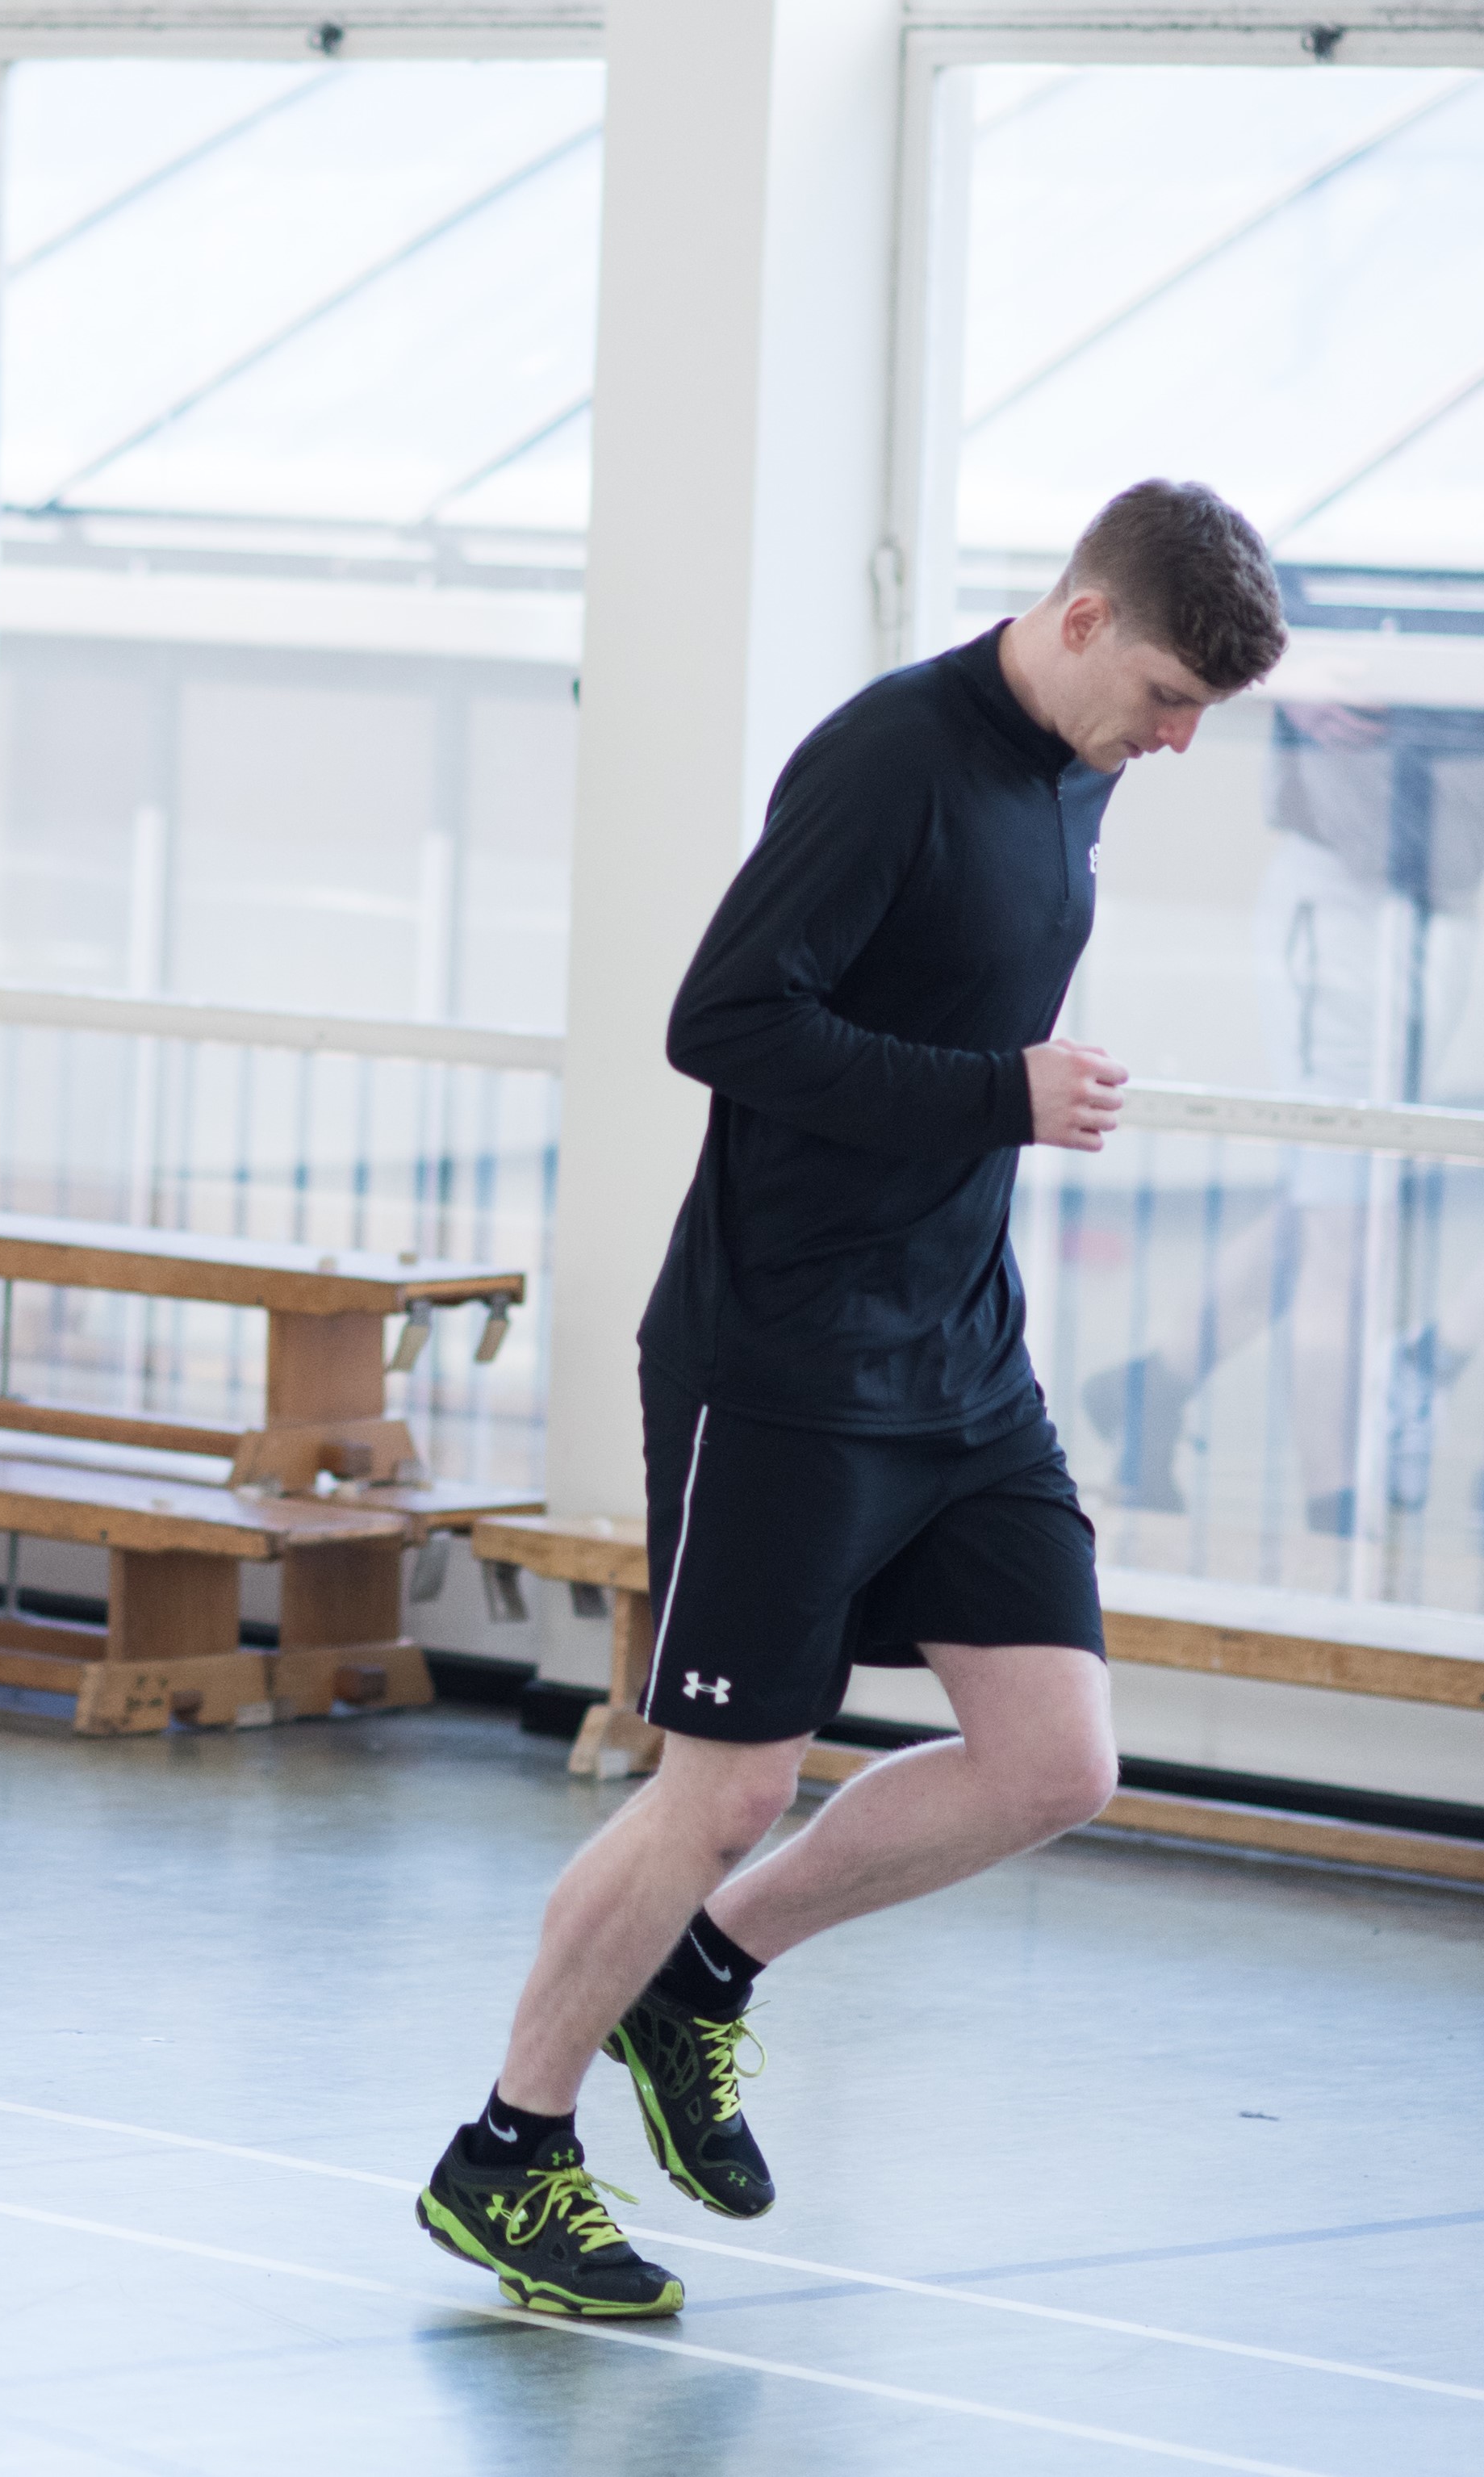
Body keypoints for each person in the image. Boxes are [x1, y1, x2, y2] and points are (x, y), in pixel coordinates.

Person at [413, 480, 1286, 2320]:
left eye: (1203, 711)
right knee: (720, 1790)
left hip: (963, 1350)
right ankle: (507, 2147)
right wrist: (1000, 1095)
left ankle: (702, 1971)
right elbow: (721, 1021)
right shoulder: (887, 759)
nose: (1176, 738)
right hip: (782, 1359)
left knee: (1057, 1760)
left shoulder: (1083, 765)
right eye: (1161, 691)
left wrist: (992, 1108)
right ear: (1070, 616)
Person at [1079, 699, 1484, 1534]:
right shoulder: (1326, 583)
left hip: (1439, 897)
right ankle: (1338, 1527)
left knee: (1340, 1198)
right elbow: (1257, 611)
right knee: (1347, 1223)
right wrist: (1300, 672)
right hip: (1345, 896)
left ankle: (1153, 1385)